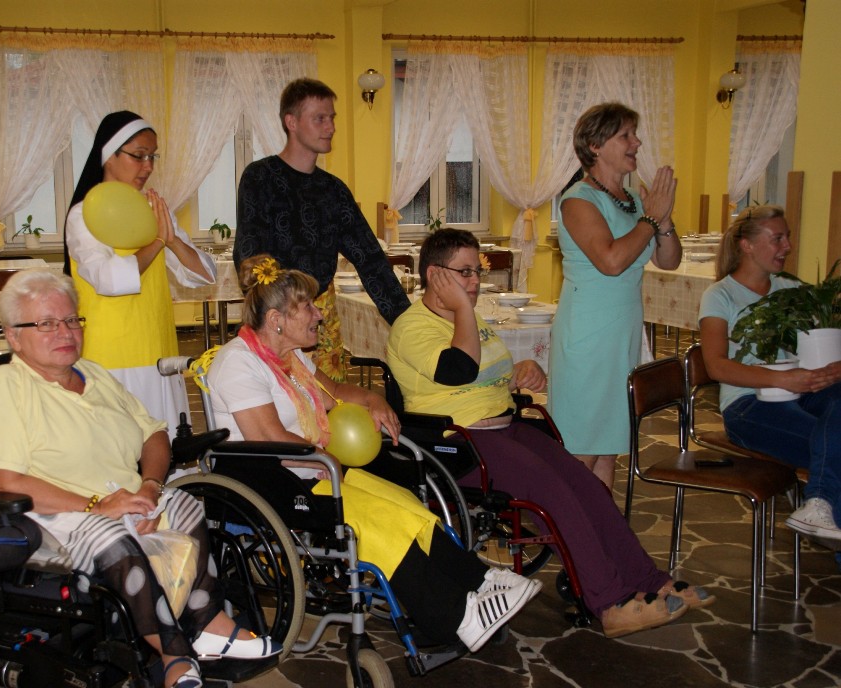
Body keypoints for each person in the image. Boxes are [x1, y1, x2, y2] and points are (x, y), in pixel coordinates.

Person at [387, 228, 713, 639]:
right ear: (435, 275)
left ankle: (650, 581)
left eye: (476, 272)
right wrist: (464, 309)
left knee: (586, 485)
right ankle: (610, 603)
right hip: (458, 445)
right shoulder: (412, 326)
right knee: (554, 495)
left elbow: (484, 374)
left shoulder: (470, 319)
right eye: (464, 272)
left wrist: (518, 371)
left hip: (503, 428)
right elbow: (459, 370)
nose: (474, 282)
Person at [206, 254, 538, 652]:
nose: (318, 314)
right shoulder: (238, 363)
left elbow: (334, 393)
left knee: (405, 505)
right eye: (307, 307)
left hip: (313, 469)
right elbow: (267, 439)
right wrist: (326, 457)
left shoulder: (290, 359)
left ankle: (481, 582)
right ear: (277, 319)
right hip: (274, 482)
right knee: (375, 523)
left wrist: (372, 400)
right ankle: (453, 617)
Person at [0, 270, 281, 688]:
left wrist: (149, 487)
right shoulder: (5, 388)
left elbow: (154, 434)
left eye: (71, 320)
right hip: (49, 518)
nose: (64, 332)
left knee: (185, 504)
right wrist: (97, 506)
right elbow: (2, 479)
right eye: (46, 323)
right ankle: (173, 655)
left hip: (122, 500)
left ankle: (209, 623)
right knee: (109, 535)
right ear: (13, 336)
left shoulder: (93, 375)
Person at [234, 78, 409, 382]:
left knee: (329, 405)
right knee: (280, 406)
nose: (331, 127)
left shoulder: (334, 191)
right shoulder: (260, 178)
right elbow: (249, 257)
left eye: (332, 118)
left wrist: (411, 324)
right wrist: (284, 317)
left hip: (321, 324)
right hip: (273, 322)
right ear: (291, 122)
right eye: (320, 118)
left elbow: (372, 261)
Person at [549, 102, 682, 490]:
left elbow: (669, 260)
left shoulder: (636, 201)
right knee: (582, 448)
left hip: (620, 335)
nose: (636, 143)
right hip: (589, 337)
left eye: (634, 135)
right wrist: (651, 219)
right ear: (595, 145)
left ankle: (601, 524)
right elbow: (610, 261)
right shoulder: (578, 200)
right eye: (626, 135)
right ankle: (569, 521)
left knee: (607, 447)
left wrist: (664, 219)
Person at [65, 111, 215, 434]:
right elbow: (109, 280)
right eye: (138, 155)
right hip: (111, 359)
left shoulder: (153, 209)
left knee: (166, 443)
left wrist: (172, 241)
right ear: (109, 155)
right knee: (123, 447)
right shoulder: (84, 215)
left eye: (152, 156)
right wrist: (158, 241)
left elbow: (204, 275)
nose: (148, 166)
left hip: (159, 351)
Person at [698, 206, 841, 542]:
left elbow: (820, 339)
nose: (787, 246)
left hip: (801, 392)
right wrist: (781, 379)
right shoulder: (720, 295)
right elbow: (716, 365)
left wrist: (832, 368)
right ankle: (820, 508)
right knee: (831, 445)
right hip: (748, 404)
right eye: (777, 238)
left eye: (787, 237)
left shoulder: (790, 288)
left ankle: (818, 504)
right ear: (747, 245)